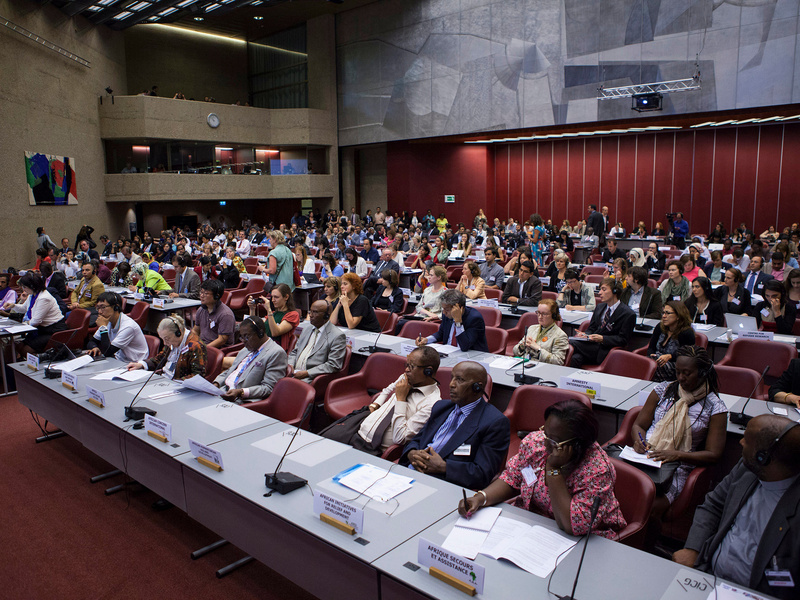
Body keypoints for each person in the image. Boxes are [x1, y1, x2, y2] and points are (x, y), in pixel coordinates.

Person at [672, 415, 800, 599]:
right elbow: (713, 505)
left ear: (763, 458)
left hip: (756, 593)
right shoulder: (747, 469)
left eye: (746, 440)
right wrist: (693, 548)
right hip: (706, 576)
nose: (739, 442)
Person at [459, 399, 626, 538]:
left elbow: (573, 525)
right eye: (545, 432)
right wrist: (480, 498)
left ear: (577, 444)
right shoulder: (536, 443)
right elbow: (512, 478)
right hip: (532, 526)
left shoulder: (597, 470)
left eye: (554, 441)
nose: (544, 443)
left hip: (583, 540)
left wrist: (553, 470)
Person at [633, 346, 727, 515]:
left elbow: (714, 454)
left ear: (703, 373)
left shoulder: (715, 407)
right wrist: (639, 440)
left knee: (641, 506)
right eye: (677, 372)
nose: (680, 378)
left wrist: (676, 454)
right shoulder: (663, 390)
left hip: (677, 467)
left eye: (687, 373)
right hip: (645, 457)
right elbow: (638, 425)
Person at [400, 361, 509, 489]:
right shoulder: (441, 407)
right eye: (452, 378)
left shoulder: (494, 422)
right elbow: (417, 439)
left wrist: (443, 467)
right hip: (409, 473)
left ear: (477, 387)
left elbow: (483, 473)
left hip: (443, 484)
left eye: (460, 380)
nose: (451, 384)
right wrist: (411, 453)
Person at [322, 347, 442, 455]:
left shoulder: (431, 404)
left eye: (411, 366)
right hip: (356, 428)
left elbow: (400, 438)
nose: (406, 370)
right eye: (406, 364)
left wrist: (401, 400)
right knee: (320, 444)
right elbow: (387, 389)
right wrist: (375, 404)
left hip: (372, 448)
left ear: (428, 371)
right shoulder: (407, 378)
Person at [213, 317, 286, 403]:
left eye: (247, 337)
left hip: (241, 400)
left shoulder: (276, 353)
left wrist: (241, 392)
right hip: (223, 391)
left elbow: (269, 388)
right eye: (242, 337)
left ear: (261, 333)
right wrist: (216, 383)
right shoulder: (246, 349)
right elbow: (232, 370)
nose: (243, 341)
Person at [570, 278, 636, 368]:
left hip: (607, 351)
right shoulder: (600, 307)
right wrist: (585, 335)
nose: (600, 293)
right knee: (575, 358)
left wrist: (603, 338)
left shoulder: (628, 314)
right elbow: (591, 329)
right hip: (591, 347)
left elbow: (623, 339)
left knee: (570, 342)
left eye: (604, 289)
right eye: (600, 289)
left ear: (615, 291)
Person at [3, 273, 66, 356]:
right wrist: (13, 306)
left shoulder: (44, 298)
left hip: (53, 330)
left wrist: (20, 325)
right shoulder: (33, 294)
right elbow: (24, 308)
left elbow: (36, 321)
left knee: (25, 350)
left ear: (32, 286)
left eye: (25, 287)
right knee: (17, 346)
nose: (23, 289)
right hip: (41, 329)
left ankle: (35, 364)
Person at [128, 315, 206, 380]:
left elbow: (198, 376)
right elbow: (160, 359)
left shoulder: (195, 346)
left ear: (179, 333)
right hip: (164, 378)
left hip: (177, 385)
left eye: (167, 339)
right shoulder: (172, 342)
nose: (165, 343)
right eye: (163, 339)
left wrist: (175, 382)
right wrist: (141, 365)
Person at [288, 300, 347, 383]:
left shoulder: (337, 336)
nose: (311, 315)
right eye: (310, 311)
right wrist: (290, 366)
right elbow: (295, 352)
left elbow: (333, 365)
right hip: (293, 373)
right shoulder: (306, 329)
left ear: (326, 316)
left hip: (312, 378)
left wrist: (307, 373)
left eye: (315, 312)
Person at [415, 289, 488, 352]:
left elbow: (465, 346)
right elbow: (441, 333)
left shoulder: (474, 319)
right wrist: (427, 340)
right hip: (448, 353)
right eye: (443, 309)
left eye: (447, 310)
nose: (444, 312)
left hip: (471, 357)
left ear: (459, 308)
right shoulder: (446, 315)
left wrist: (458, 322)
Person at [87, 292, 149, 362]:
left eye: (103, 307)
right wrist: (94, 347)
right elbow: (92, 342)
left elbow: (107, 352)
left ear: (116, 307)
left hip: (134, 364)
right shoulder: (107, 320)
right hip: (119, 360)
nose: (100, 312)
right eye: (98, 308)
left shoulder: (128, 326)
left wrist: (103, 328)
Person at [646, 301, 696, 381]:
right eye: (663, 313)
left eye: (668, 313)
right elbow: (651, 347)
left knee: (651, 369)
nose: (664, 316)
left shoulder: (686, 333)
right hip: (657, 361)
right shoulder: (659, 327)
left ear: (678, 316)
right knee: (644, 364)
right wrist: (651, 355)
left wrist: (670, 356)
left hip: (675, 365)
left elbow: (687, 355)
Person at [512, 300, 569, 365]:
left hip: (542, 368)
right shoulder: (532, 328)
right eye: (538, 313)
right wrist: (522, 346)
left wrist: (538, 349)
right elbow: (515, 351)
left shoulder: (560, 335)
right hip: (524, 364)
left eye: (544, 314)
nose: (540, 317)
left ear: (554, 315)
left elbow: (558, 361)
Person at [248, 283, 300, 352]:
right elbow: (254, 327)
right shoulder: (274, 313)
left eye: (276, 297)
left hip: (275, 351)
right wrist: (252, 309)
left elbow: (275, 332)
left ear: (286, 297)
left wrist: (269, 310)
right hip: (263, 348)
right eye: (272, 297)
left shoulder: (293, 315)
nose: (273, 300)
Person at [192, 279, 235, 349]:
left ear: (216, 296)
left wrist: (203, 348)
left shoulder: (225, 314)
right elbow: (195, 330)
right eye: (201, 292)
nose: (202, 296)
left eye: (206, 293)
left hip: (218, 350)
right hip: (203, 345)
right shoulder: (201, 310)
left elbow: (222, 340)